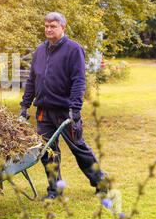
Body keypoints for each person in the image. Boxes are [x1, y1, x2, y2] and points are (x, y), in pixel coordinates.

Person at [20, 12, 107, 200]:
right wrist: (25, 105)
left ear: (63, 28)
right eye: (46, 26)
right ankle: (55, 190)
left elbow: (78, 81)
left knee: (79, 149)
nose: (48, 29)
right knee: (47, 153)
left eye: (53, 26)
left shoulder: (73, 50)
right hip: (44, 111)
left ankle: (101, 181)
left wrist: (75, 109)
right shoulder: (40, 51)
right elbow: (32, 81)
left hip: (65, 111)